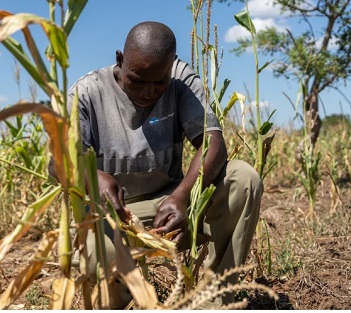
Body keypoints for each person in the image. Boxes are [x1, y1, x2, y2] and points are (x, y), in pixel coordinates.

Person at [50, 21, 263, 308]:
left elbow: (212, 142)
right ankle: (122, 303)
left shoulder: (180, 80)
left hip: (171, 207)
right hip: (114, 217)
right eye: (137, 80)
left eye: (159, 82)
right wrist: (92, 177)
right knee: (97, 256)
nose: (149, 92)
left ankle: (214, 301)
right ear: (120, 60)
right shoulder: (87, 93)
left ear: (171, 67)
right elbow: (57, 164)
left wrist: (181, 197)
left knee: (243, 178)